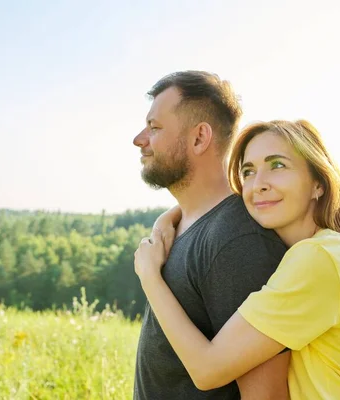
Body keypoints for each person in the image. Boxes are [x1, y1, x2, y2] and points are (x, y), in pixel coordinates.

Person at [135, 119, 340, 399]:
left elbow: (207, 370)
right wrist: (170, 218)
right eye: (248, 171)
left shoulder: (318, 259)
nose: (258, 185)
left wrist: (150, 276)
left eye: (278, 165)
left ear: (318, 183)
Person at [132, 71, 291, 399]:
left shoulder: (238, 242)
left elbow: (267, 394)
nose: (139, 139)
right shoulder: (180, 225)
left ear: (199, 138)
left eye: (155, 127)